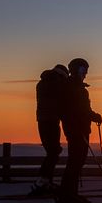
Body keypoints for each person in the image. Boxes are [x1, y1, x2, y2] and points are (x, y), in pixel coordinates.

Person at [58, 58, 102, 203]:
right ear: (76, 71)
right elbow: (80, 111)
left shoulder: (73, 88)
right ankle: (67, 196)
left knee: (77, 162)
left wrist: (92, 116)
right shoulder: (73, 89)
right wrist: (93, 116)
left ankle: (71, 194)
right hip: (77, 130)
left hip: (78, 129)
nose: (85, 74)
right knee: (75, 162)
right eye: (83, 71)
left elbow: (82, 110)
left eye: (86, 71)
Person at [30, 64, 69, 196]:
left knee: (53, 151)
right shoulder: (54, 82)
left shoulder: (44, 82)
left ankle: (45, 181)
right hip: (50, 120)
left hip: (44, 120)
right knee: (54, 151)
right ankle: (42, 182)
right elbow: (60, 95)